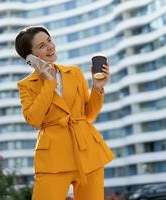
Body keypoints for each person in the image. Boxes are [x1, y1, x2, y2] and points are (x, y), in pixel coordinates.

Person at [15, 26, 115, 200]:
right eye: (41, 46)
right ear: (30, 58)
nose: (50, 47)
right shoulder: (26, 85)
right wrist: (48, 83)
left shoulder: (74, 73)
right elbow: (34, 120)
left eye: (49, 40)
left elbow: (88, 115)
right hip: (53, 158)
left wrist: (97, 89)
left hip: (88, 151)